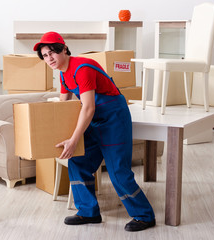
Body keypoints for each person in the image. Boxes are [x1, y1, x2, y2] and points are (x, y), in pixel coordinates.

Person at [33, 31, 156, 232]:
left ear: (64, 49)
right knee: (78, 161)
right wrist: (55, 135)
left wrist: (74, 139)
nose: (49, 59)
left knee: (118, 172)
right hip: (94, 121)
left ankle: (144, 215)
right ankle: (88, 212)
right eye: (45, 55)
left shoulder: (81, 68)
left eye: (52, 52)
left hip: (113, 119)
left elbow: (88, 107)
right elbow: (63, 106)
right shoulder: (64, 74)